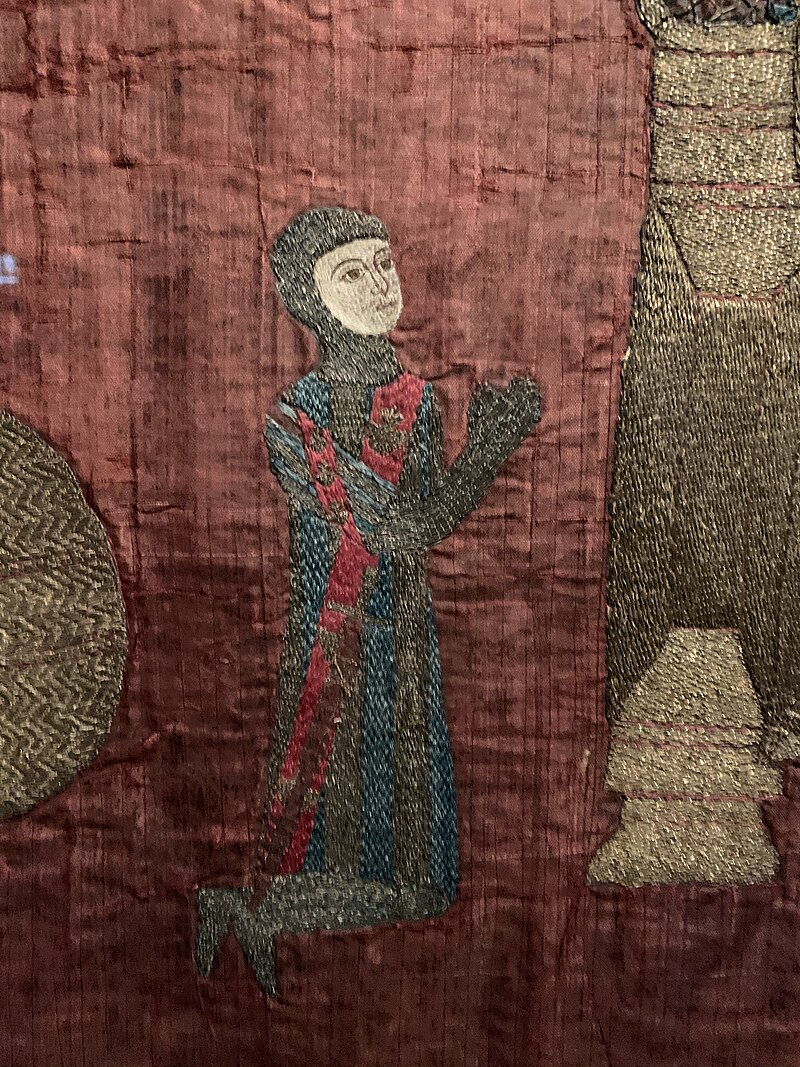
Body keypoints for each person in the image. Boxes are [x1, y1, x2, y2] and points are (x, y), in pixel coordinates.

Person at [195, 206, 541, 995]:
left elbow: (418, 521)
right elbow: (397, 529)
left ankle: (251, 913)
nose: (379, 283)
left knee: (422, 883)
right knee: (333, 829)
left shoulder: (418, 398)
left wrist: (478, 454)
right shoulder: (296, 417)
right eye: (351, 273)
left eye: (384, 263)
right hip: (336, 637)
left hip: (407, 637)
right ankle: (252, 910)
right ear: (308, 301)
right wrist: (488, 453)